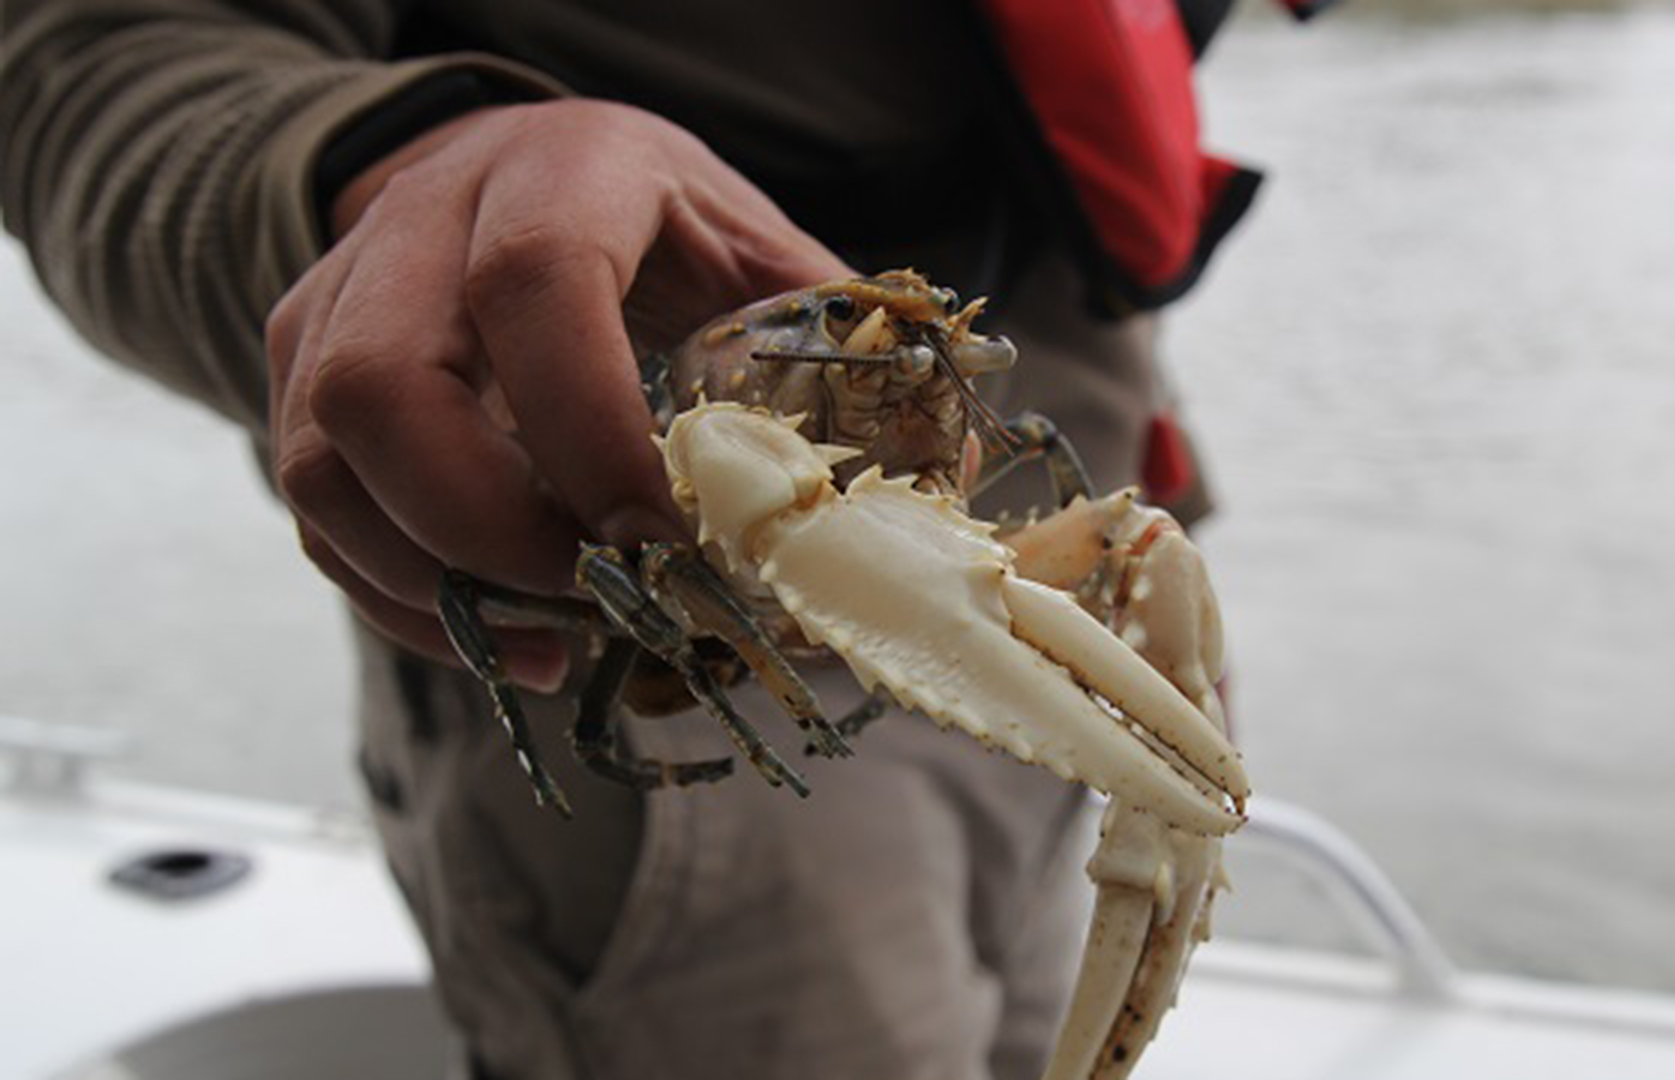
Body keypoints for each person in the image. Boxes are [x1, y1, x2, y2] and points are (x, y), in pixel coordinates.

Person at [3, 1, 1282, 1076]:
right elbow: (83, 53)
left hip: (1045, 584)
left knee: (1046, 1008)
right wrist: (383, 160)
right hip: (679, 645)